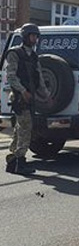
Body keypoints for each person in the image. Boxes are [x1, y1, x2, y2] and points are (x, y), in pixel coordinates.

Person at [5, 23, 50, 175]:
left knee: (19, 130)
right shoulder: (15, 53)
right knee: (26, 129)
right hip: (19, 98)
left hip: (30, 97)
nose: (35, 39)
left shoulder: (33, 56)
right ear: (25, 36)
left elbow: (39, 78)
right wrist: (23, 91)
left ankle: (13, 161)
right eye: (32, 36)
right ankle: (20, 162)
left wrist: (46, 95)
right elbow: (11, 76)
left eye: (36, 36)